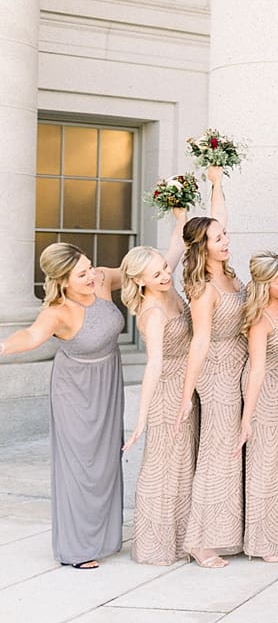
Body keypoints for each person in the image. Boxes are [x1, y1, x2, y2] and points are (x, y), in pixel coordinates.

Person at [0, 244, 126, 569]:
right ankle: (78, 548)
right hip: (74, 388)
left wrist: (179, 227)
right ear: (63, 280)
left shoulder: (101, 279)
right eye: (81, 274)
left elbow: (141, 270)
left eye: (90, 267)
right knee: (79, 463)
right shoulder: (57, 311)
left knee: (107, 458)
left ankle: (103, 537)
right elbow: (29, 337)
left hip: (108, 380)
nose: (91, 275)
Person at [178, 168, 246, 568]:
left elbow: (220, 217)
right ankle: (201, 541)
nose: (226, 240)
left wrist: (217, 184)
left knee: (232, 450)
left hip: (238, 365)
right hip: (217, 372)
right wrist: (188, 393)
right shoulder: (202, 286)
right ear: (203, 247)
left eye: (225, 235)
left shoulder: (229, 275)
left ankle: (226, 531)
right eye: (219, 238)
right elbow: (200, 340)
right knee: (217, 453)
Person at [121, 209, 194, 566]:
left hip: (189, 384)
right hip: (167, 391)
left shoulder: (167, 285)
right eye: (157, 273)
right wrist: (141, 417)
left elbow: (175, 249)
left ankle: (181, 538)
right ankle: (154, 544)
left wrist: (180, 219)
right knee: (163, 465)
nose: (166, 275)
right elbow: (154, 363)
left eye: (164, 269)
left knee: (184, 464)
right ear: (139, 281)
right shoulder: (151, 311)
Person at [237, 251, 278, 562]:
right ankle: (262, 543)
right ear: (264, 285)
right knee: (265, 467)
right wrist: (247, 418)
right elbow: (257, 369)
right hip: (264, 395)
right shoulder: (260, 319)